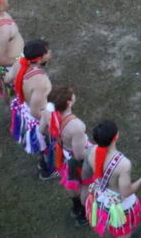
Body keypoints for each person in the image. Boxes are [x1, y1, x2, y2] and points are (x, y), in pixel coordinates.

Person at [84, 120, 141, 236]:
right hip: (119, 207)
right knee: (123, 233)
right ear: (116, 136)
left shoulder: (90, 151)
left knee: (105, 227)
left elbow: (87, 174)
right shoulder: (123, 164)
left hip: (100, 199)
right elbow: (126, 192)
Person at [6, 39, 55, 172]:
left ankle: (42, 161)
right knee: (49, 144)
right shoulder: (39, 81)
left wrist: (21, 88)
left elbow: (7, 79)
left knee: (42, 146)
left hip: (23, 107)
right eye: (47, 51)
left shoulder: (20, 62)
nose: (50, 52)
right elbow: (35, 112)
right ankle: (48, 169)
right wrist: (54, 124)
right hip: (36, 117)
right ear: (40, 59)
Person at [50, 85, 92, 224]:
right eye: (72, 94)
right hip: (76, 161)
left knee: (70, 183)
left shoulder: (52, 115)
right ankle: (84, 215)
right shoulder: (76, 127)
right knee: (84, 187)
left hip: (63, 155)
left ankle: (76, 207)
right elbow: (80, 156)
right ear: (69, 102)